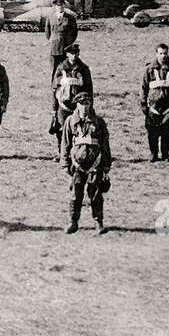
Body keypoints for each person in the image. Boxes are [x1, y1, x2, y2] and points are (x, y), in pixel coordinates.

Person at [61, 92, 112, 235]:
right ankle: (73, 222)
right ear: (76, 105)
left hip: (95, 164)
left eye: (87, 104)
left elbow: (105, 144)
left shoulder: (99, 122)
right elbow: (65, 143)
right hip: (77, 164)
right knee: (76, 193)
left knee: (95, 193)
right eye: (81, 104)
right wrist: (65, 163)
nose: (84, 107)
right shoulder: (70, 121)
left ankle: (98, 222)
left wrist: (107, 164)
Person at [142, 43, 169, 162]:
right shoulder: (149, 70)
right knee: (152, 131)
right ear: (156, 54)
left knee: (167, 131)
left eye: (165, 53)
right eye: (160, 53)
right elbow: (143, 88)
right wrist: (143, 104)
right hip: (153, 107)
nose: (163, 56)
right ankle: (153, 154)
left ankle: (165, 154)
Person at [51, 42, 93, 161]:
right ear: (67, 54)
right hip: (63, 106)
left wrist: (89, 108)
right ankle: (62, 154)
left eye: (76, 53)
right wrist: (54, 109)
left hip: (78, 107)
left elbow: (89, 89)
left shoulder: (84, 69)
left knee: (78, 129)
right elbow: (55, 89)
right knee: (61, 130)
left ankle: (77, 153)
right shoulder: (61, 68)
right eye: (71, 53)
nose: (74, 56)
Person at [42, 0, 78, 73]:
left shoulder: (70, 18)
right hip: (54, 47)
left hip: (65, 47)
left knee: (66, 68)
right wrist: (53, 40)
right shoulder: (50, 17)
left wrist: (69, 43)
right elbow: (47, 31)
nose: (60, 7)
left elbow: (74, 32)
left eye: (62, 5)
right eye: (58, 5)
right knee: (54, 69)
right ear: (55, 6)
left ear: (64, 5)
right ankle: (54, 84)